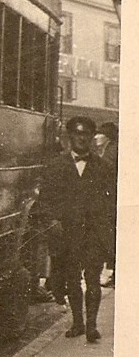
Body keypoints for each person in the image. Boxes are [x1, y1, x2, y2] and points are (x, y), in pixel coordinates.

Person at [37, 116, 115, 342]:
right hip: (67, 234)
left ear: (92, 138)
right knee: (72, 280)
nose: (81, 139)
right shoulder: (56, 166)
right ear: (69, 137)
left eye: (86, 135)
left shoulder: (104, 167)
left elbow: (111, 202)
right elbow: (46, 199)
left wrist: (107, 231)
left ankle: (91, 327)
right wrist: (52, 221)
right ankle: (77, 323)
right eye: (77, 134)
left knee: (92, 280)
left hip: (93, 233)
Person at [95, 122, 119, 287]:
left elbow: (106, 171)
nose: (96, 137)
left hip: (111, 199)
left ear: (107, 137)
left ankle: (114, 273)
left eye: (99, 134)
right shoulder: (108, 149)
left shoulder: (111, 151)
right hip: (110, 198)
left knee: (111, 234)